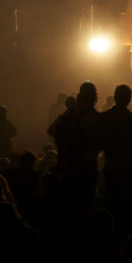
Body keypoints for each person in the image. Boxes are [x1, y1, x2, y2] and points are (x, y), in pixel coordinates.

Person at [48, 81, 101, 210]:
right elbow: (97, 139)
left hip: (66, 162)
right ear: (94, 96)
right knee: (86, 202)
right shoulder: (93, 115)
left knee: (67, 201)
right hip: (85, 165)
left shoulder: (69, 112)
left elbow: (50, 129)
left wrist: (63, 143)